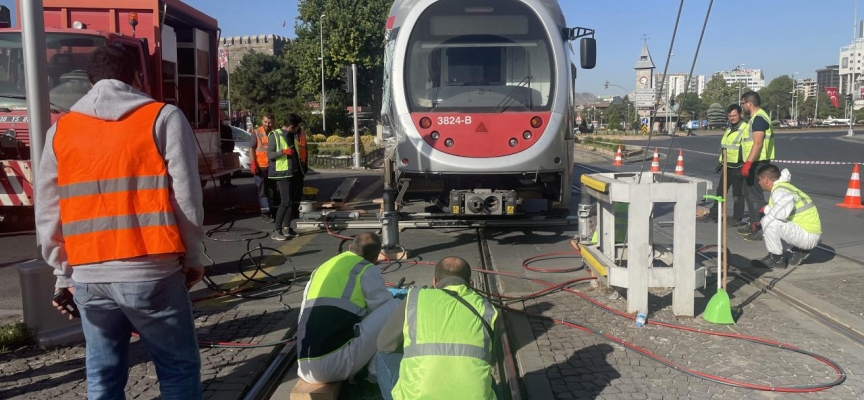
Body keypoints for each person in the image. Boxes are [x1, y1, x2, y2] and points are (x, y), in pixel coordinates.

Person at [36, 46, 204, 399]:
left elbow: (49, 210)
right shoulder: (162, 118)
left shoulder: (61, 130)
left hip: (89, 279)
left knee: (102, 373)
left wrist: (63, 273)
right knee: (176, 370)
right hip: (151, 271)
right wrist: (191, 257)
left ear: (89, 81)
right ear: (137, 77)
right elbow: (185, 198)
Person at [376, 256, 499, 400]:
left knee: (382, 356)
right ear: (470, 284)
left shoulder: (415, 298)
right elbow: (488, 354)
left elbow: (384, 344)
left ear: (434, 282)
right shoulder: (487, 309)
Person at [296, 232, 400, 383]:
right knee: (394, 306)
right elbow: (382, 311)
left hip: (305, 367)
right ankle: (374, 373)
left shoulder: (321, 269)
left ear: (350, 247)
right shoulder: (365, 268)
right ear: (377, 256)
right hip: (334, 366)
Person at [753, 164, 821, 269]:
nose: (759, 182)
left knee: (769, 221)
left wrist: (766, 211)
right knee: (766, 223)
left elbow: (781, 214)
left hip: (808, 236)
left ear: (765, 179)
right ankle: (799, 250)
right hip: (808, 232)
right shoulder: (784, 187)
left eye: (759, 180)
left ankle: (776, 258)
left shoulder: (780, 191)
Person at [698, 104, 749, 226]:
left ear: (741, 115)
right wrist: (721, 162)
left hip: (739, 166)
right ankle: (714, 215)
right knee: (720, 192)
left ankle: (737, 218)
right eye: (730, 116)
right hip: (727, 165)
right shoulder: (729, 129)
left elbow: (748, 147)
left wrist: (746, 164)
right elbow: (725, 148)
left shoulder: (746, 128)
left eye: (734, 115)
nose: (732, 118)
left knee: (737, 194)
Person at [739, 91, 776, 241]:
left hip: (757, 162)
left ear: (749, 103)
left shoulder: (759, 118)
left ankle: (760, 228)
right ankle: (753, 224)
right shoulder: (756, 118)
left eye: (742, 103)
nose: (742, 106)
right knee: (748, 194)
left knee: (755, 197)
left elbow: (758, 143)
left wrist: (748, 163)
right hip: (754, 161)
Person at [267, 114, 304, 240]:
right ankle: (277, 230)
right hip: (281, 173)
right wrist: (283, 152)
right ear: (292, 127)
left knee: (290, 202)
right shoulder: (275, 135)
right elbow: (270, 155)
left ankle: (286, 228)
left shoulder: (291, 135)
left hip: (292, 172)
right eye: (297, 127)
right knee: (285, 202)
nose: (298, 129)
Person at [250, 113, 277, 223]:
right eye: (265, 122)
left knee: (274, 190)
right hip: (260, 167)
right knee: (263, 191)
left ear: (273, 122)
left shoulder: (275, 133)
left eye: (270, 122)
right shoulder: (256, 132)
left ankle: (273, 210)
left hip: (272, 167)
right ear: (262, 121)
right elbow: (251, 148)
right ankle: (265, 213)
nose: (267, 124)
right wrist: (253, 163)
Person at [219, 122, 236, 188]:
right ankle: (227, 181)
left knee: (223, 166)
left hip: (224, 149)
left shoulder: (223, 129)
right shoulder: (227, 129)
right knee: (228, 166)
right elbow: (230, 140)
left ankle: (223, 181)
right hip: (227, 149)